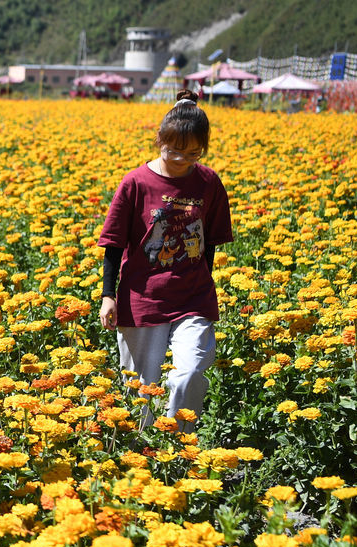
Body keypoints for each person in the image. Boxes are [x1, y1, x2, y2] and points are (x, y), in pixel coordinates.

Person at [98, 89, 233, 432]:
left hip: (193, 297)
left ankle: (178, 445)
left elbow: (209, 242)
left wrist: (203, 281)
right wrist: (108, 295)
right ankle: (140, 448)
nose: (181, 159)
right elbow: (113, 244)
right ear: (159, 138)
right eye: (173, 150)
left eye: (193, 153)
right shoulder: (135, 183)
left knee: (189, 373)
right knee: (140, 391)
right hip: (142, 299)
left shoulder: (208, 182)